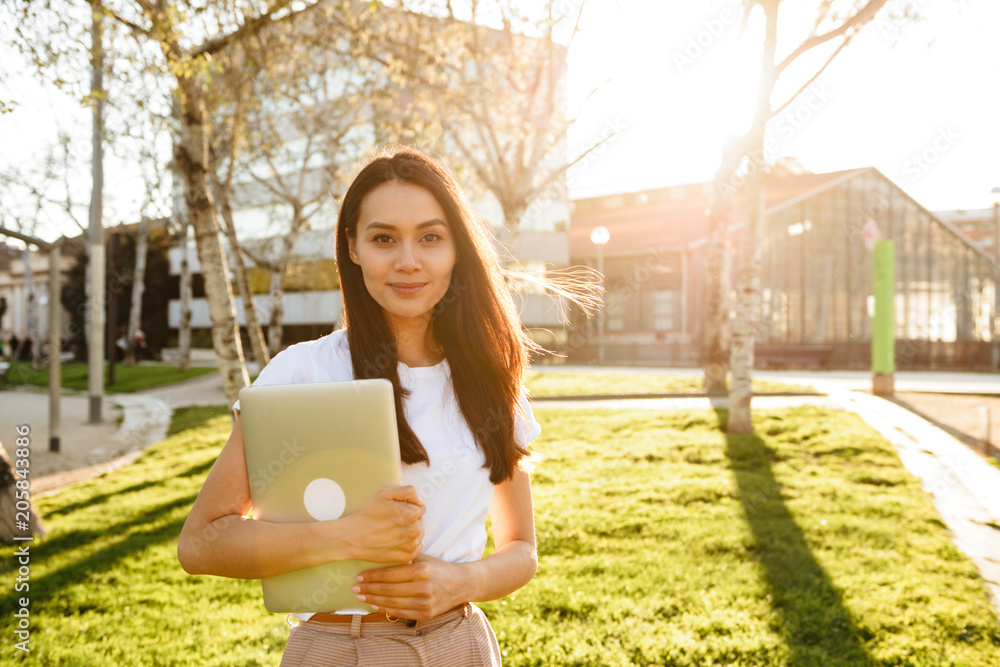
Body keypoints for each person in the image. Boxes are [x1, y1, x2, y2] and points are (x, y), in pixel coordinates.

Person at [177, 146, 591, 666]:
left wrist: (464, 579)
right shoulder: (299, 372)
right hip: (333, 648)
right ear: (352, 247)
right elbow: (201, 544)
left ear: (456, 248)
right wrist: (343, 537)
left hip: (456, 645)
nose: (408, 261)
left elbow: (521, 550)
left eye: (430, 237)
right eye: (383, 239)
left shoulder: (489, 380)